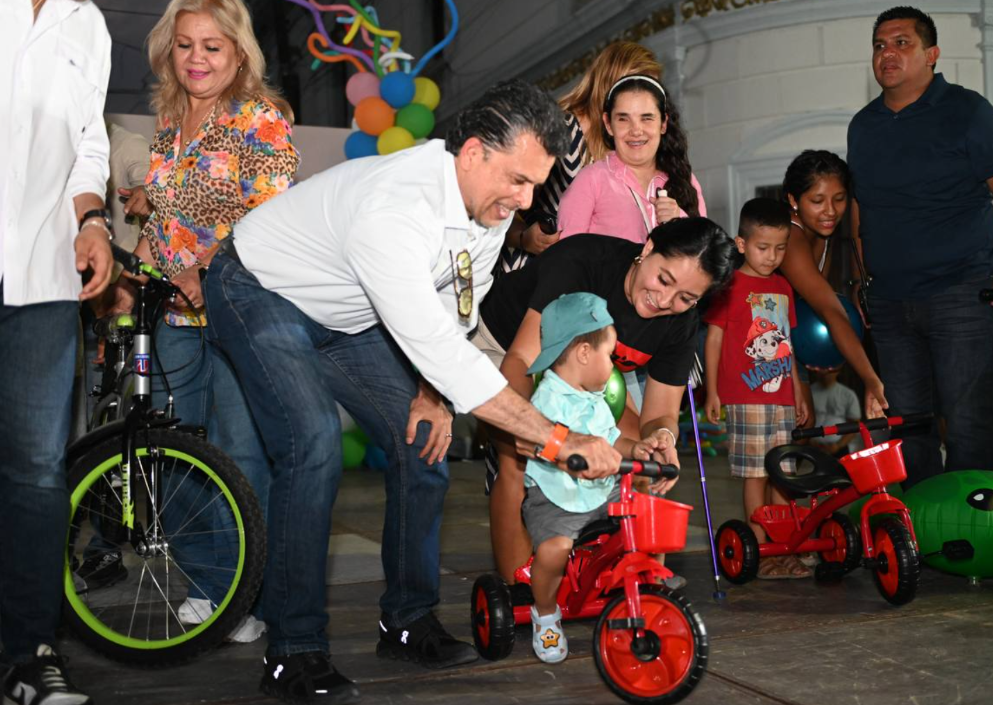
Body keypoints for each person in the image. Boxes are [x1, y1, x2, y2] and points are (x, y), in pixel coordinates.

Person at [203, 79, 622, 702]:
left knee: (421, 448)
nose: (527, 199)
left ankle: (406, 621)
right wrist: (559, 440)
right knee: (313, 444)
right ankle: (293, 653)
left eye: (535, 183)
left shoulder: (487, 208)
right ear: (473, 152)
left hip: (344, 312)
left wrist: (431, 396)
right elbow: (441, 348)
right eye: (517, 179)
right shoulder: (395, 211)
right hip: (258, 287)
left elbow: (455, 307)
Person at [110, 0, 300, 642]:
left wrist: (207, 268)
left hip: (239, 309)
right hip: (169, 317)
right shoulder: (170, 125)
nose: (198, 58)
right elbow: (163, 221)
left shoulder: (260, 119)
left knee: (242, 458)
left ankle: (258, 594)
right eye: (186, 45)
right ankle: (218, 585)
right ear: (169, 51)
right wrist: (133, 276)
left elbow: (271, 218)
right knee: (170, 455)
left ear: (239, 53)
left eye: (212, 46)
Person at [477, 218, 736, 582]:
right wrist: (538, 433)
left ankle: (638, 580)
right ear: (646, 249)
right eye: (664, 280)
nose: (664, 301)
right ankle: (521, 591)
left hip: (589, 366)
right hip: (505, 346)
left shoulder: (681, 322)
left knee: (643, 458)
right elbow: (520, 360)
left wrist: (663, 437)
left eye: (686, 298)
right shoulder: (582, 261)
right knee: (519, 459)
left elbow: (659, 414)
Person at [0, 1, 113, 704]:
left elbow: (88, 142)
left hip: (42, 274)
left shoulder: (88, 23)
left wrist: (93, 218)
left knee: (38, 471)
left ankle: (28, 654)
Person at [847, 6, 993, 488]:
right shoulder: (863, 126)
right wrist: (862, 280)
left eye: (901, 43)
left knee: (968, 420)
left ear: (931, 54)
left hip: (962, 293)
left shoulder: (968, 110)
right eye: (880, 45)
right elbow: (861, 209)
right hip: (889, 303)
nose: (888, 53)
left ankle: (973, 541)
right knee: (907, 427)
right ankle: (924, 539)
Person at [520, 293, 667, 664]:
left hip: (600, 489)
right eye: (610, 354)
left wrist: (641, 450)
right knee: (556, 548)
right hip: (556, 495)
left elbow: (614, 440)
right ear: (584, 353)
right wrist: (567, 455)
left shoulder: (595, 398)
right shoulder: (546, 399)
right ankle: (546, 611)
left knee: (646, 516)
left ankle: (648, 588)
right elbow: (538, 444)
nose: (613, 364)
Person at [703, 198, 810, 579]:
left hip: (781, 396)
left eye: (780, 248)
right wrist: (712, 391)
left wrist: (797, 390)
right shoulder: (729, 285)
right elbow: (713, 339)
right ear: (742, 243)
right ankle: (761, 550)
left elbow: (786, 344)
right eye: (763, 248)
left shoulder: (783, 287)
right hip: (745, 397)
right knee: (756, 475)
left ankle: (785, 547)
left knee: (783, 476)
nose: (772, 256)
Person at [497, 42, 661, 273]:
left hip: (587, 275)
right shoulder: (560, 131)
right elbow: (499, 202)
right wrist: (524, 238)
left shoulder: (624, 146)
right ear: (609, 83)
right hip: (531, 272)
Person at [778, 150, 887, 425]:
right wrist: (871, 379)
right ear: (793, 200)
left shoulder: (822, 233)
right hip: (755, 347)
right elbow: (830, 311)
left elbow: (806, 311)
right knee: (787, 438)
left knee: (803, 429)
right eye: (817, 200)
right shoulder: (790, 237)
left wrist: (822, 352)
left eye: (839, 199)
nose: (830, 211)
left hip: (785, 348)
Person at [557, 74, 705, 243]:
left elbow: (704, 256)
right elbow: (566, 257)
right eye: (623, 119)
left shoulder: (686, 180)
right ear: (608, 124)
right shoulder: (590, 180)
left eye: (647, 118)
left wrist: (679, 219)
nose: (636, 131)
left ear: (663, 124)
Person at [810, 369, 862, 457]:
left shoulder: (848, 394)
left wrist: (838, 445)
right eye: (822, 368)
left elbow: (855, 425)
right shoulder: (807, 392)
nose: (825, 372)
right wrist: (808, 440)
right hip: (812, 448)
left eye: (829, 369)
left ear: (837, 370)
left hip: (840, 449)